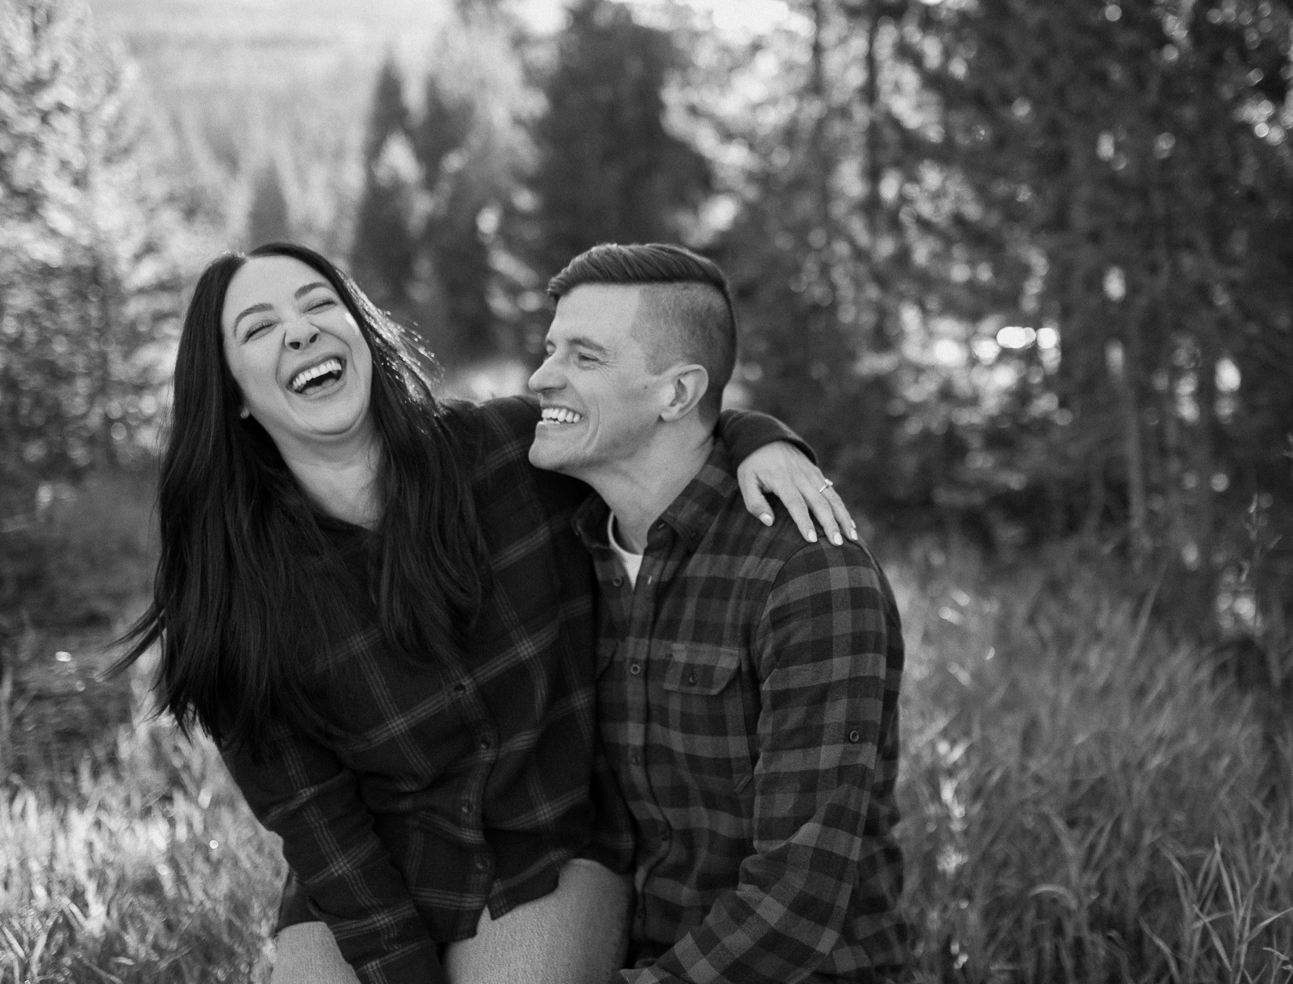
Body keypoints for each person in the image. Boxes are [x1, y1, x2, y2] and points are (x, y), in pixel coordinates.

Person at [114, 242, 853, 984]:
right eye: (258, 328)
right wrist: (400, 969)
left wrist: (761, 438)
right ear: (236, 393)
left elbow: (646, 416)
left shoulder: (508, 451)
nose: (299, 332)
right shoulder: (232, 591)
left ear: (363, 335)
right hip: (368, 875)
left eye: (316, 305)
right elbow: (314, 819)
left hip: (548, 848)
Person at [528, 242, 908, 984]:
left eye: (584, 356)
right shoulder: (565, 542)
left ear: (675, 395)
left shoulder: (808, 577)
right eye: (549, 349)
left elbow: (798, 901)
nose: (542, 376)